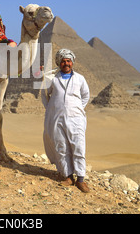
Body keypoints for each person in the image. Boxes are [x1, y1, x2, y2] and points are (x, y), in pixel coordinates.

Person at [41, 48, 90, 193]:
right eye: (63, 61)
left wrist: (77, 109)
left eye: (68, 61)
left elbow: (86, 96)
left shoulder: (80, 78)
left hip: (76, 119)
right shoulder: (52, 79)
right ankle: (68, 176)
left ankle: (81, 179)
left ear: (72, 62)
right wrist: (51, 108)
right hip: (56, 117)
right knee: (61, 147)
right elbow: (44, 95)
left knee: (78, 147)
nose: (66, 63)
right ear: (59, 62)